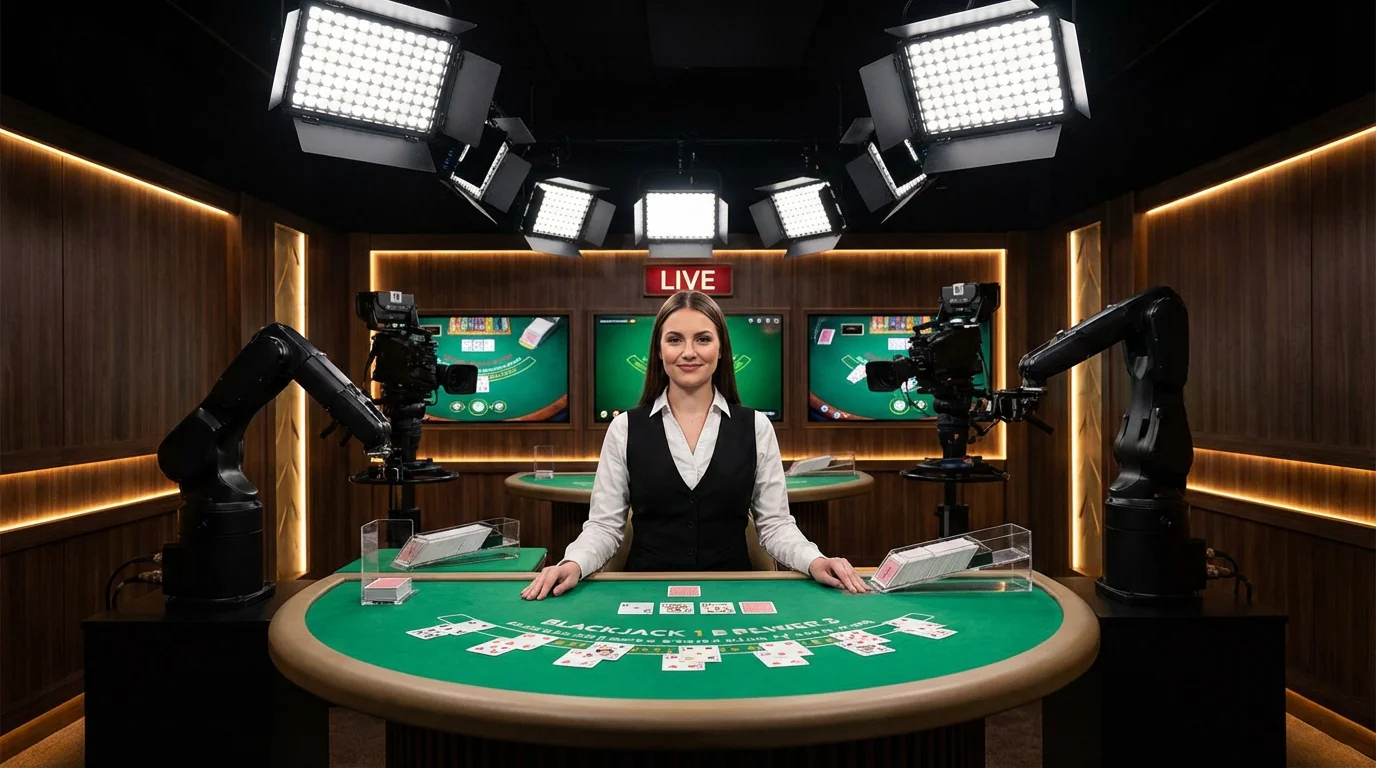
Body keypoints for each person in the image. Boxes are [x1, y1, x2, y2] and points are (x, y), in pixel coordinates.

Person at [522, 290, 868, 600]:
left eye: (702, 339)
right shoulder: (624, 427)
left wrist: (815, 559)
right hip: (644, 593)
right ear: (659, 351)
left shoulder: (756, 426)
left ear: (720, 350)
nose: (688, 353)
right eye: (675, 340)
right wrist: (573, 562)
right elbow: (604, 526)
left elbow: (775, 525)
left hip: (736, 592)